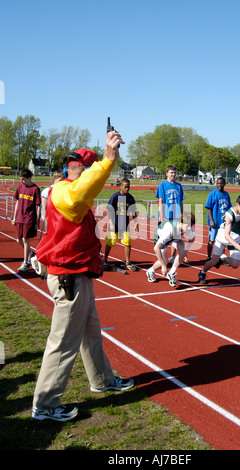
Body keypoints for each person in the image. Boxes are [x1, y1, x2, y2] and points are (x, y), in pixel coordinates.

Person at [32, 131, 134, 422]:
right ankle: (46, 404)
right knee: (63, 341)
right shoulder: (66, 191)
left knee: (90, 332)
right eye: (89, 170)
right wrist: (107, 161)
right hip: (68, 277)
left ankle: (102, 379)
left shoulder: (65, 190)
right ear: (80, 168)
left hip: (78, 275)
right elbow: (79, 196)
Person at [198, 195, 240, 284]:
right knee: (213, 261)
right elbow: (227, 235)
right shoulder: (229, 215)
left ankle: (222, 258)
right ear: (237, 204)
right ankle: (202, 272)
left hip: (235, 239)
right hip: (222, 238)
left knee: (235, 265)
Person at [146, 212, 195, 287]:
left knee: (183, 250)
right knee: (164, 261)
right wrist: (163, 266)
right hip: (161, 236)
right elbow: (156, 248)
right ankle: (150, 271)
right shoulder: (169, 229)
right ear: (181, 223)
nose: (190, 228)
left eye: (191, 225)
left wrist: (185, 252)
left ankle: (171, 273)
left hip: (174, 237)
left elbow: (192, 239)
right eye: (188, 225)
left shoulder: (189, 228)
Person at [104, 178, 139, 271]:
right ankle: (105, 259)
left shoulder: (130, 198)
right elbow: (110, 211)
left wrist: (136, 223)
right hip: (114, 224)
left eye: (129, 187)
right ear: (121, 187)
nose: (127, 189)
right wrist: (111, 223)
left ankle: (128, 262)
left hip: (124, 225)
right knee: (109, 243)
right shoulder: (115, 197)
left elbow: (133, 211)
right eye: (125, 187)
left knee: (127, 243)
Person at [11, 169, 41, 272]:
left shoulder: (35, 189)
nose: (21, 181)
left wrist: (37, 221)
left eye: (23, 179)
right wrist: (14, 217)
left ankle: (26, 262)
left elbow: (38, 206)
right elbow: (18, 203)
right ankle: (30, 253)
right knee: (18, 239)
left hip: (29, 218)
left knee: (25, 239)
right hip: (20, 217)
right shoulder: (20, 187)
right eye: (20, 179)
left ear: (28, 178)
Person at [155, 165, 185, 264]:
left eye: (174, 172)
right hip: (166, 215)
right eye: (171, 172)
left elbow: (181, 201)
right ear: (167, 173)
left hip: (176, 216)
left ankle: (172, 257)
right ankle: (163, 258)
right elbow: (161, 200)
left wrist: (182, 215)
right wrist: (162, 215)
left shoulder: (178, 186)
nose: (173, 174)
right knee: (163, 238)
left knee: (175, 237)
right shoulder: (162, 185)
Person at [205, 177, 232, 260]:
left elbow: (229, 208)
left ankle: (221, 255)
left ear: (224, 184)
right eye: (218, 183)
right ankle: (209, 257)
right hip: (215, 221)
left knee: (223, 240)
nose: (220, 185)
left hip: (223, 222)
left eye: (222, 183)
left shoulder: (226, 194)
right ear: (216, 184)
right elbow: (209, 208)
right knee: (212, 240)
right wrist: (211, 221)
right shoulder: (212, 194)